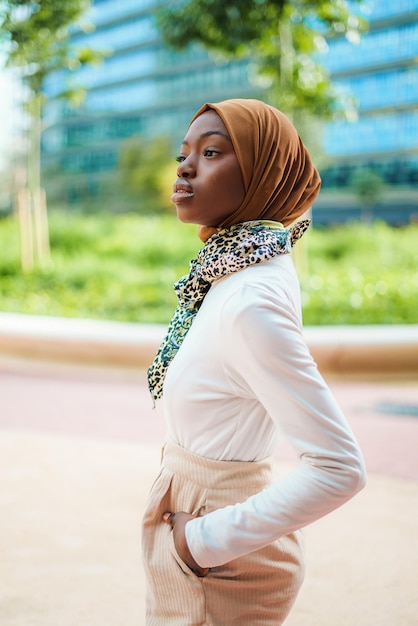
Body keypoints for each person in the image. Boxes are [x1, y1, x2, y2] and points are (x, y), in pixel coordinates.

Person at [143, 98, 366, 626]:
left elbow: (340, 468)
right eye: (185, 153)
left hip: (217, 556)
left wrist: (199, 542)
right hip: (201, 528)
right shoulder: (236, 269)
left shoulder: (249, 299)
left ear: (265, 172)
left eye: (213, 151)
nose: (185, 166)